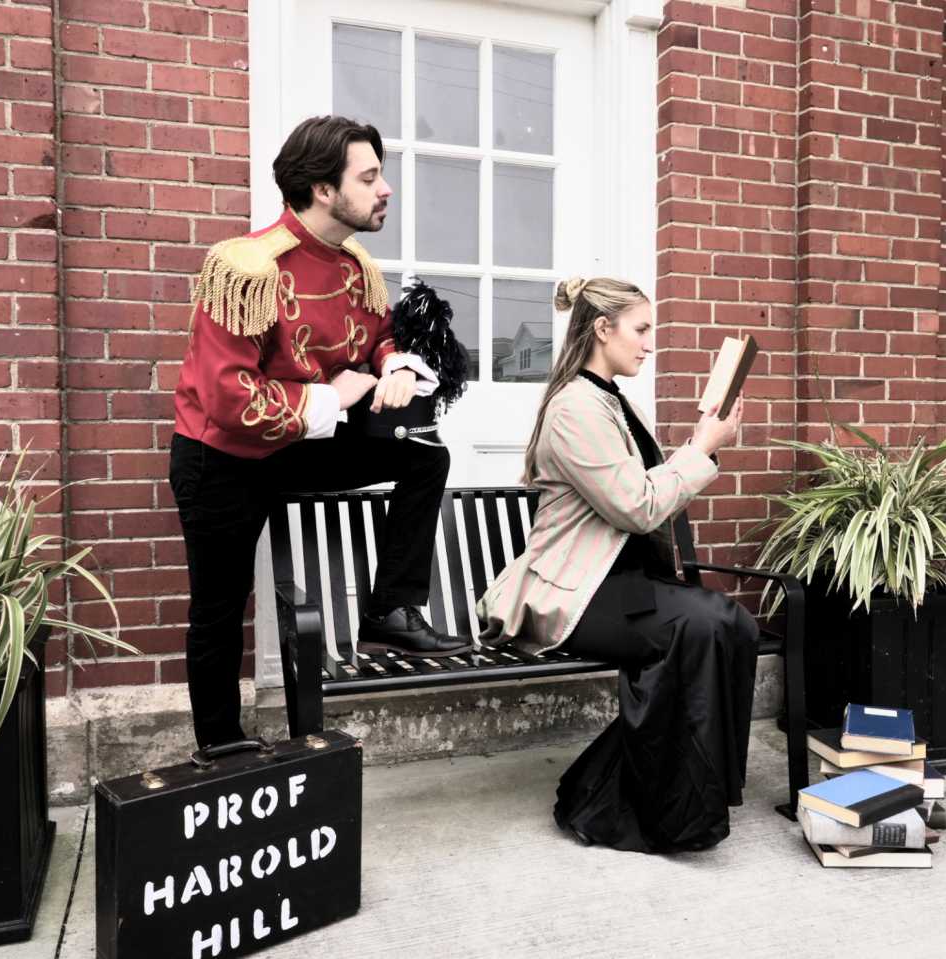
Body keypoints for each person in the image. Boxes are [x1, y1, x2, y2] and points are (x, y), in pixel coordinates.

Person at [170, 116, 469, 749]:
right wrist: (333, 396)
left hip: (302, 449)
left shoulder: (358, 265)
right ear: (323, 190)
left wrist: (392, 369)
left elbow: (381, 336)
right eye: (369, 177)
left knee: (422, 454)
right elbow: (229, 398)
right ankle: (221, 745)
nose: (385, 189)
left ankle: (390, 609)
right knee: (219, 611)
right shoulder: (242, 266)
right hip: (222, 458)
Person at [476, 276, 758, 853]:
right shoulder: (575, 408)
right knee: (697, 627)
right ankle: (611, 799)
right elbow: (636, 506)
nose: (650, 342)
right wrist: (701, 448)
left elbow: (641, 494)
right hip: (573, 592)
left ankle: (699, 792)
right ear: (603, 330)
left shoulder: (609, 400)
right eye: (642, 329)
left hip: (619, 581)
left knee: (736, 624)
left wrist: (699, 444)